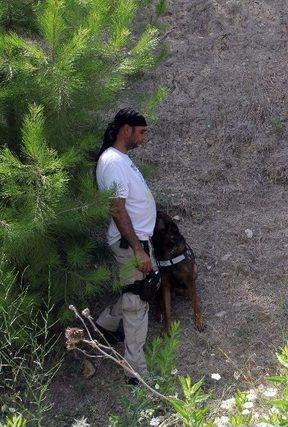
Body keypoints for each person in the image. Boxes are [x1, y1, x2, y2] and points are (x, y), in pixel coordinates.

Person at [95, 108, 157, 385]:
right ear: (126, 130)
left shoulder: (122, 160)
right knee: (135, 302)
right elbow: (118, 210)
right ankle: (136, 373)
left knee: (136, 292)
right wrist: (138, 249)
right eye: (141, 132)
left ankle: (104, 325)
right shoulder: (113, 162)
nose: (144, 138)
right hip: (130, 244)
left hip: (138, 241)